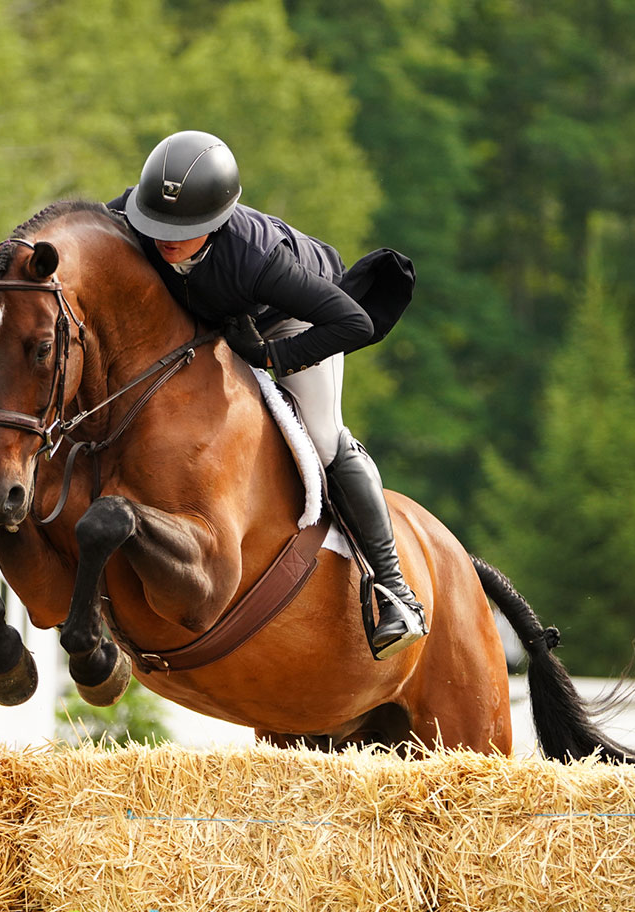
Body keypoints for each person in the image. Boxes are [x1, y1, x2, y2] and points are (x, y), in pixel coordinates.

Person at [106, 130, 425, 660]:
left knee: (321, 435)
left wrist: (274, 360)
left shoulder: (258, 261)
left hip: (290, 320)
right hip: (216, 313)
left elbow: (354, 321)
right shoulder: (137, 216)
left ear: (213, 223)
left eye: (180, 230)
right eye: (155, 224)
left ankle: (395, 592)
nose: (162, 240)